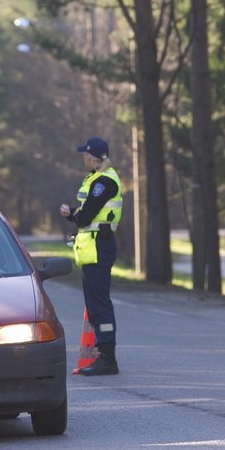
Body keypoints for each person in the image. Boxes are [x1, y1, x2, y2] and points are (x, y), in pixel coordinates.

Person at [59, 137, 123, 376]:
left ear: (91, 156)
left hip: (99, 248)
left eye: (84, 155)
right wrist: (75, 215)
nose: (83, 159)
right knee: (96, 303)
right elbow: (88, 215)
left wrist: (71, 215)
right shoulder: (98, 178)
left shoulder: (104, 181)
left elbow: (86, 217)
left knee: (100, 304)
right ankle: (103, 353)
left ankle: (108, 358)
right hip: (94, 249)